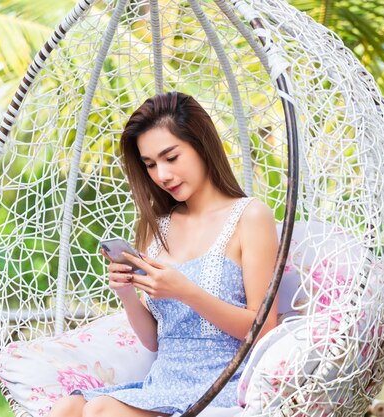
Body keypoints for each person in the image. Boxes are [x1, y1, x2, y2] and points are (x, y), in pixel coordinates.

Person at [48, 92, 279, 417]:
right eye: (151, 165)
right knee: (66, 407)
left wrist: (184, 291)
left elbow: (264, 328)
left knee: (101, 411)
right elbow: (156, 340)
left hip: (218, 386)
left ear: (201, 145)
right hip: (163, 383)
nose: (162, 175)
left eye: (171, 157)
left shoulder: (250, 217)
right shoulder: (155, 228)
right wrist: (127, 292)